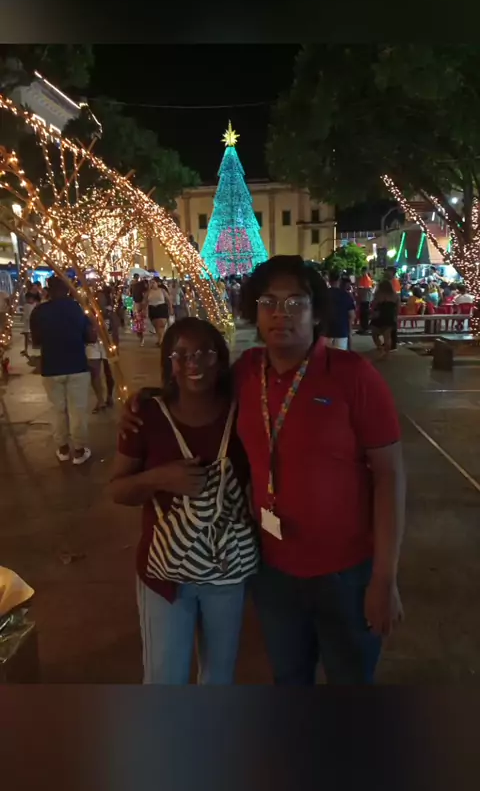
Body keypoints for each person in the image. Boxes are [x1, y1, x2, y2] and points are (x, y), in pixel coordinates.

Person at [121, 255, 405, 685]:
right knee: (288, 681)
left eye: (295, 302)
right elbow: (195, 390)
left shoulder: (354, 376)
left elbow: (389, 476)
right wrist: (145, 400)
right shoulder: (246, 372)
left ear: (316, 312)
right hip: (274, 572)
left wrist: (384, 577)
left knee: (350, 682)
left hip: (346, 573)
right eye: (269, 302)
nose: (280, 313)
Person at [110, 318, 258, 685]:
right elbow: (118, 489)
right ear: (169, 362)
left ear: (220, 359)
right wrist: (160, 478)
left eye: (205, 352)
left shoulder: (244, 413)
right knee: (165, 677)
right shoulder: (146, 415)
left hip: (227, 568)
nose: (194, 362)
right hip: (164, 575)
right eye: (181, 354)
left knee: (219, 675)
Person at [30, 276, 95, 465]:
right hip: (76, 365)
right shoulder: (77, 308)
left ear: (48, 290)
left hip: (51, 366)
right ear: (67, 290)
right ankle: (79, 450)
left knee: (57, 410)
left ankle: (63, 448)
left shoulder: (39, 311)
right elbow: (90, 337)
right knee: (77, 410)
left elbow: (36, 341)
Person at [325, 269, 355, 350]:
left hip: (326, 331)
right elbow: (352, 315)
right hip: (342, 331)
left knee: (327, 355)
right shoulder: (345, 295)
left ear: (329, 280)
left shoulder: (323, 294)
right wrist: (349, 330)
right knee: (339, 355)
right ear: (339, 280)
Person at [370, 280, 399, 357]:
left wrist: (372, 313)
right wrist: (395, 317)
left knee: (374, 333)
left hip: (379, 316)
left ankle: (380, 348)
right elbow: (398, 309)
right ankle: (387, 353)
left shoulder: (378, 294)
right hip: (390, 317)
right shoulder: (395, 295)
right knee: (387, 337)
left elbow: (374, 305)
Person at [86, 338, 115, 412]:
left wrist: (115, 344)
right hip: (92, 344)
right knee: (94, 374)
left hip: (107, 341)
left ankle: (109, 396)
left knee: (109, 373)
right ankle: (100, 400)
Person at [147, 277, 171, 347]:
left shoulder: (162, 290)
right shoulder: (148, 292)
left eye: (153, 282)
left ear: (157, 283)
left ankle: (161, 341)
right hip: (152, 309)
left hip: (161, 308)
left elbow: (168, 300)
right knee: (156, 326)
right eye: (151, 283)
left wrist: (171, 308)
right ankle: (160, 339)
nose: (152, 284)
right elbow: (145, 301)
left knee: (161, 325)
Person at [20, 290, 38, 356]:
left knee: (28, 337)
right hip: (27, 323)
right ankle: (26, 349)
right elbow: (26, 314)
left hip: (30, 323)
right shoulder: (27, 305)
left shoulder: (31, 305)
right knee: (27, 337)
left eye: (30, 298)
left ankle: (27, 349)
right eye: (27, 298)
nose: (29, 300)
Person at [357, 268, 374, 333]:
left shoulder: (367, 278)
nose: (362, 272)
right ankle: (363, 328)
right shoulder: (363, 278)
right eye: (362, 271)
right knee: (363, 314)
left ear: (366, 271)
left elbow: (366, 289)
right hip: (363, 298)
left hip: (365, 299)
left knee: (365, 314)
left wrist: (360, 293)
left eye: (363, 271)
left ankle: (365, 328)